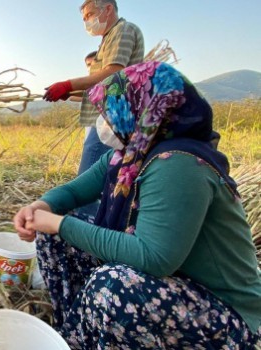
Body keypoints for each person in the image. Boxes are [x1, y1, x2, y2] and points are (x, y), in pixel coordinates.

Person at [15, 61, 261, 348]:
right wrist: (40, 206)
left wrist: (59, 223)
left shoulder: (179, 164)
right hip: (172, 282)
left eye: (113, 110)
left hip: (221, 310)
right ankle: (76, 332)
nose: (105, 121)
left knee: (114, 285)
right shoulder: (128, 156)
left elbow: (154, 258)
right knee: (54, 233)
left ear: (147, 110)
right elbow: (73, 192)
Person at [45, 0, 144, 222]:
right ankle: (99, 223)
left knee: (88, 180)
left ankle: (84, 229)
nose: (87, 22)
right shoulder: (108, 39)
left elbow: (112, 74)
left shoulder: (123, 30)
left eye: (89, 15)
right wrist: (68, 94)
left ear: (108, 9)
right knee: (102, 178)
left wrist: (69, 84)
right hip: (101, 118)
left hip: (109, 120)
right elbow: (99, 88)